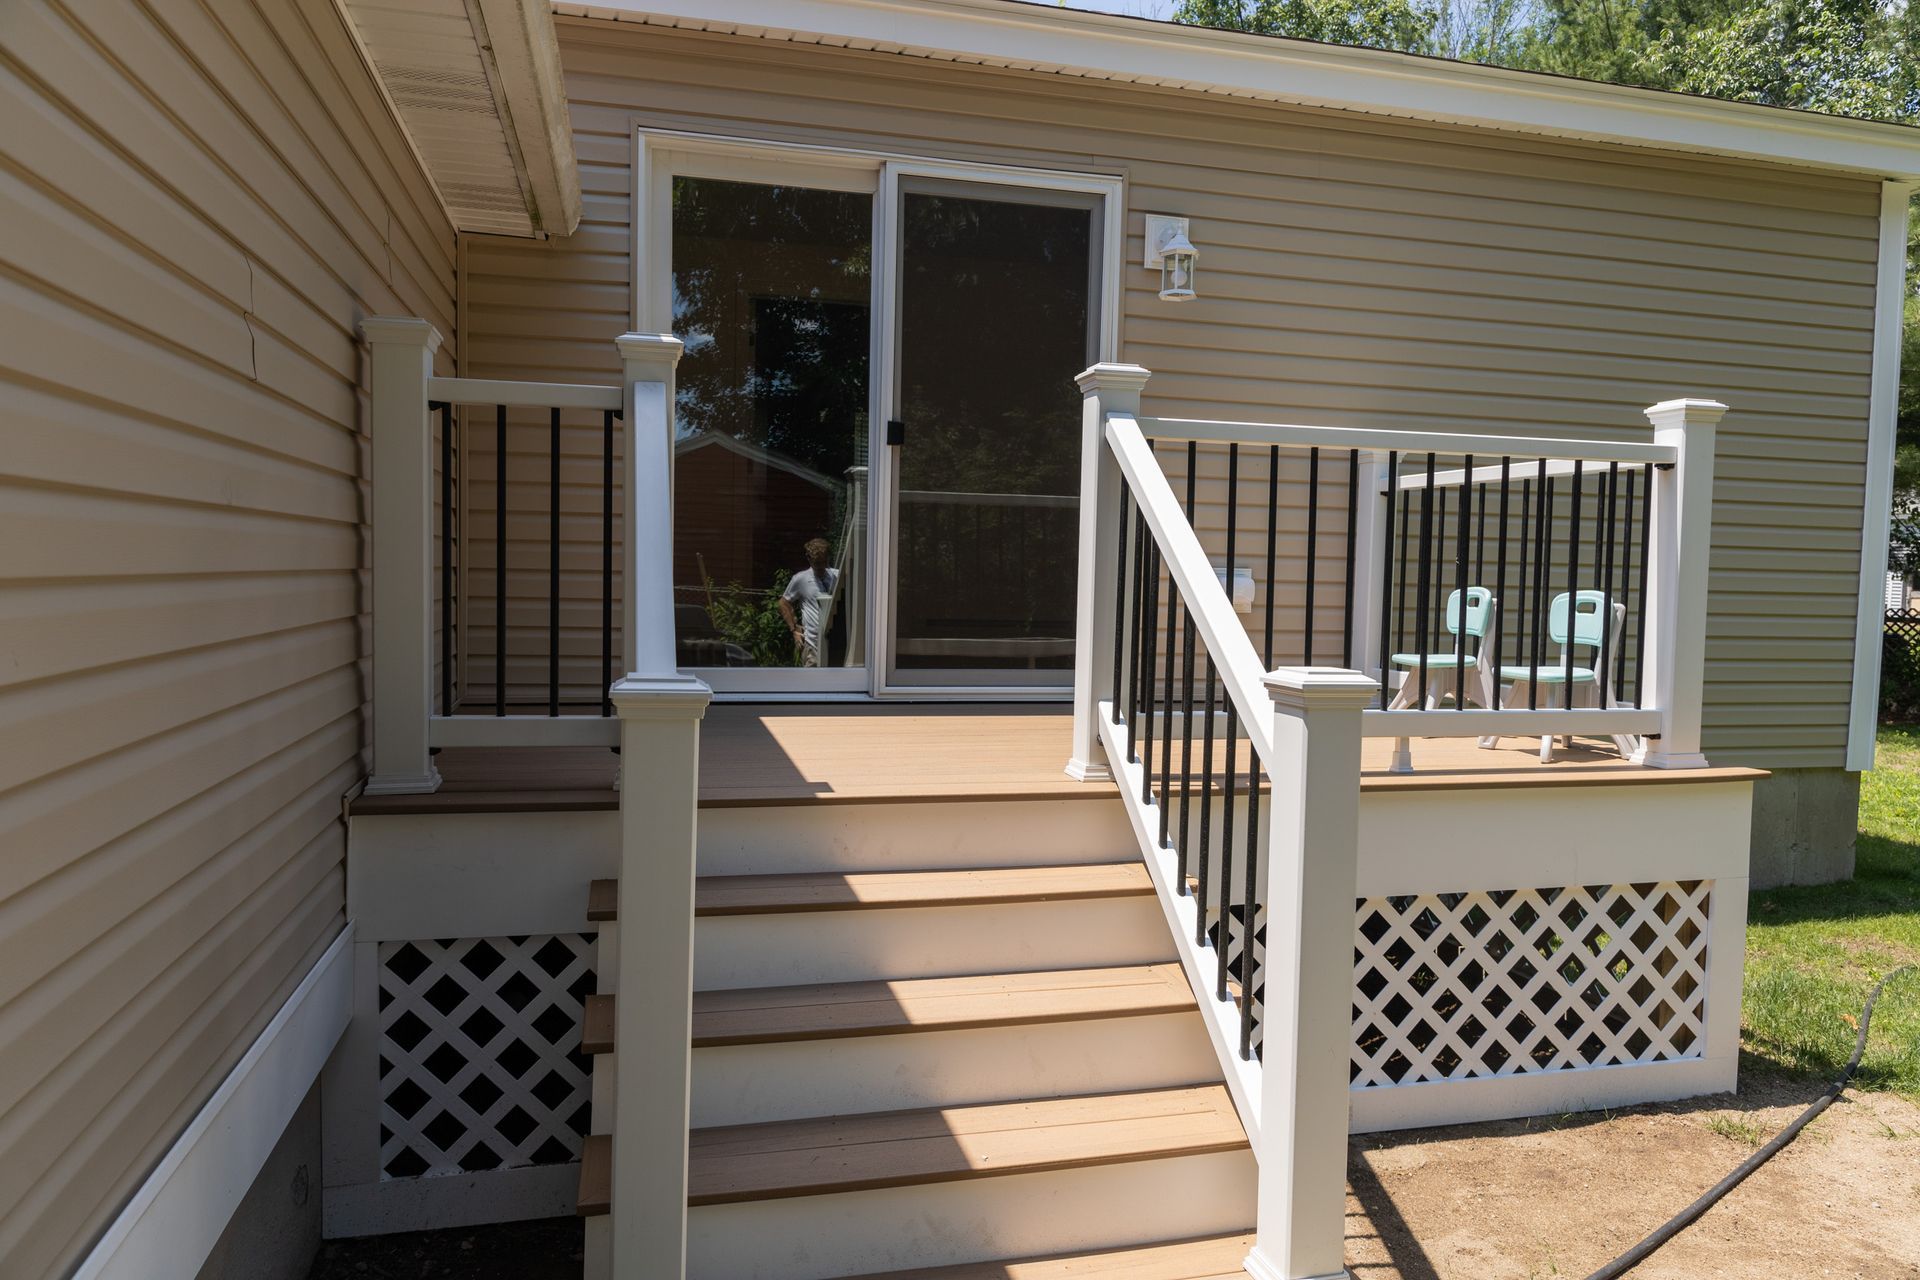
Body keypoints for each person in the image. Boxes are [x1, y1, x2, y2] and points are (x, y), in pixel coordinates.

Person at [778, 537, 838, 667]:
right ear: (809, 559)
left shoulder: (837, 577)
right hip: (813, 644)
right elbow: (784, 603)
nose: (821, 567)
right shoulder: (801, 579)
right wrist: (794, 629)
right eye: (817, 563)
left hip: (836, 644)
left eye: (823, 562)